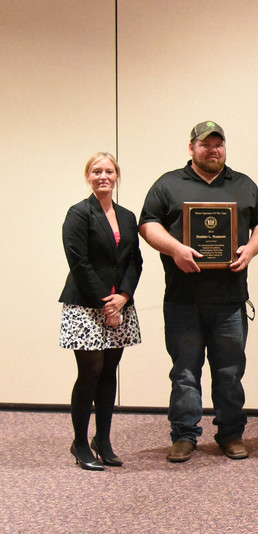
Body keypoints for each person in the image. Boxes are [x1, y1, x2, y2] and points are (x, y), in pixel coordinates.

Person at [139, 121, 258, 463]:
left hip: (230, 300)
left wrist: (253, 247)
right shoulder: (168, 184)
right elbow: (148, 224)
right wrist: (175, 250)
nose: (213, 150)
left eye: (218, 144)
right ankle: (184, 435)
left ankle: (230, 434)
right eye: (205, 144)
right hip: (183, 300)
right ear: (191, 148)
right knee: (185, 371)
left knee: (230, 371)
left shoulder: (243, 184)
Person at [59, 152, 143, 470]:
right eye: (97, 171)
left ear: (117, 176)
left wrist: (122, 296)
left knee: (109, 373)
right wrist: (106, 303)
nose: (103, 176)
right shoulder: (79, 214)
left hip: (120, 305)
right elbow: (78, 262)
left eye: (109, 171)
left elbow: (135, 260)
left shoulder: (127, 215)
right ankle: (80, 442)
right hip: (86, 305)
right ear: (88, 177)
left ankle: (103, 440)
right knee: (90, 372)